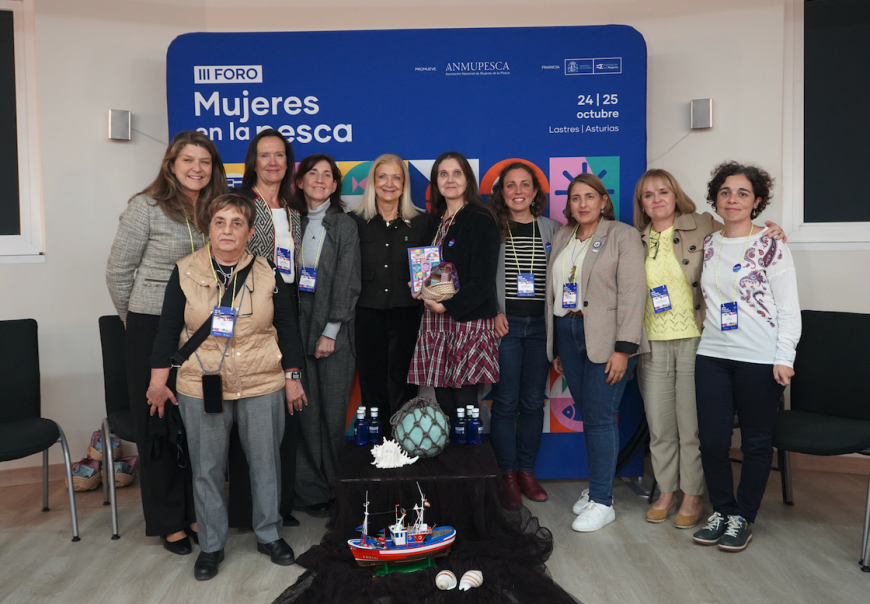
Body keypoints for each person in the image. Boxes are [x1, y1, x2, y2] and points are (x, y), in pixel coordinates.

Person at [147, 192, 306, 580]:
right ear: (208, 228)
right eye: (220, 222)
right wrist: (157, 382)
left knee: (265, 463)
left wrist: (293, 379)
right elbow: (167, 330)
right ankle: (211, 545)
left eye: (237, 223)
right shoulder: (184, 271)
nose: (228, 230)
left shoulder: (268, 271)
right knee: (207, 468)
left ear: (250, 232)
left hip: (262, 381)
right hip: (202, 384)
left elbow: (287, 327)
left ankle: (269, 535)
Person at [634, 169, 787, 529]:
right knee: (660, 427)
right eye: (648, 195)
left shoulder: (703, 224)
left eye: (663, 192)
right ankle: (667, 492)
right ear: (641, 203)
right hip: (651, 342)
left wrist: (776, 232)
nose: (657, 199)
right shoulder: (634, 239)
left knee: (692, 428)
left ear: (676, 195)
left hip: (697, 339)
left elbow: (743, 231)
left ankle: (692, 495)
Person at [105, 130, 226, 556]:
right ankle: (168, 520)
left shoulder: (216, 209)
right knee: (158, 423)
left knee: (197, 424)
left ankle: (195, 511)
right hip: (152, 326)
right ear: (171, 164)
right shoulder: (147, 207)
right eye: (188, 160)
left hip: (199, 330)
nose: (197, 168)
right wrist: (134, 322)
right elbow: (118, 273)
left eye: (205, 162)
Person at [691, 162, 800, 552]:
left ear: (757, 201)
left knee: (755, 442)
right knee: (712, 442)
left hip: (759, 357)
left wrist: (784, 357)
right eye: (725, 192)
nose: (732, 199)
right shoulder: (709, 242)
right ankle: (721, 510)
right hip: (712, 355)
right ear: (716, 199)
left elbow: (788, 308)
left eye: (742, 193)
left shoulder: (772, 244)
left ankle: (743, 517)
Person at [545, 173, 647, 533]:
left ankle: (603, 501)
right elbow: (556, 291)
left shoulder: (622, 235)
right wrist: (559, 346)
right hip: (568, 332)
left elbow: (633, 293)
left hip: (607, 340)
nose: (582, 204)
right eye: (575, 198)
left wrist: (624, 349)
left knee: (601, 417)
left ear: (604, 201)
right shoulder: (563, 236)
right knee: (591, 416)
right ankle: (598, 487)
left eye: (590, 196)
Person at [227, 129, 304, 529]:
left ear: (287, 162)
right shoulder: (240, 203)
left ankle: (279, 506)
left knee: (286, 412)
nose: (272, 162)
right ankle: (245, 510)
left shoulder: (293, 209)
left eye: (279, 155)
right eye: (264, 155)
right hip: (249, 313)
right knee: (249, 414)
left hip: (287, 310)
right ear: (253, 162)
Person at [488, 162, 562, 507]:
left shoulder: (553, 230)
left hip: (541, 329)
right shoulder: (492, 228)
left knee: (533, 403)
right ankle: (506, 475)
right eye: (510, 185)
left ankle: (526, 472)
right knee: (505, 403)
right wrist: (494, 311)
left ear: (535, 192)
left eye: (525, 185)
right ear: (502, 193)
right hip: (506, 326)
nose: (518, 191)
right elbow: (480, 276)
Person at [408, 152, 501, 423]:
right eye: (443, 174)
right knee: (445, 405)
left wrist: (446, 306)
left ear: (467, 179)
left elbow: (483, 282)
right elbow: (430, 271)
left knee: (464, 406)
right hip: (436, 323)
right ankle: (452, 451)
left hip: (466, 322)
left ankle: (469, 451)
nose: (450, 180)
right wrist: (419, 287)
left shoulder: (480, 217)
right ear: (436, 181)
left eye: (456, 173)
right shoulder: (435, 220)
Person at [293, 154, 361, 517]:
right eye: (312, 173)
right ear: (299, 181)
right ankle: (310, 491)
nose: (319, 180)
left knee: (333, 415)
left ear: (335, 186)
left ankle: (337, 489)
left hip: (333, 328)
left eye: (327, 176)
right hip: (295, 324)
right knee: (304, 413)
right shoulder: (289, 221)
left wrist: (331, 331)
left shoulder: (345, 225)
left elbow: (348, 282)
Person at [350, 154, 430, 417]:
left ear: (404, 184)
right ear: (372, 181)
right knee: (371, 386)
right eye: (382, 176)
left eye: (396, 177)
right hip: (366, 315)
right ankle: (377, 441)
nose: (389, 183)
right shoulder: (353, 222)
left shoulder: (422, 223)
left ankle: (402, 439)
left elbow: (433, 271)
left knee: (404, 387)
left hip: (407, 315)